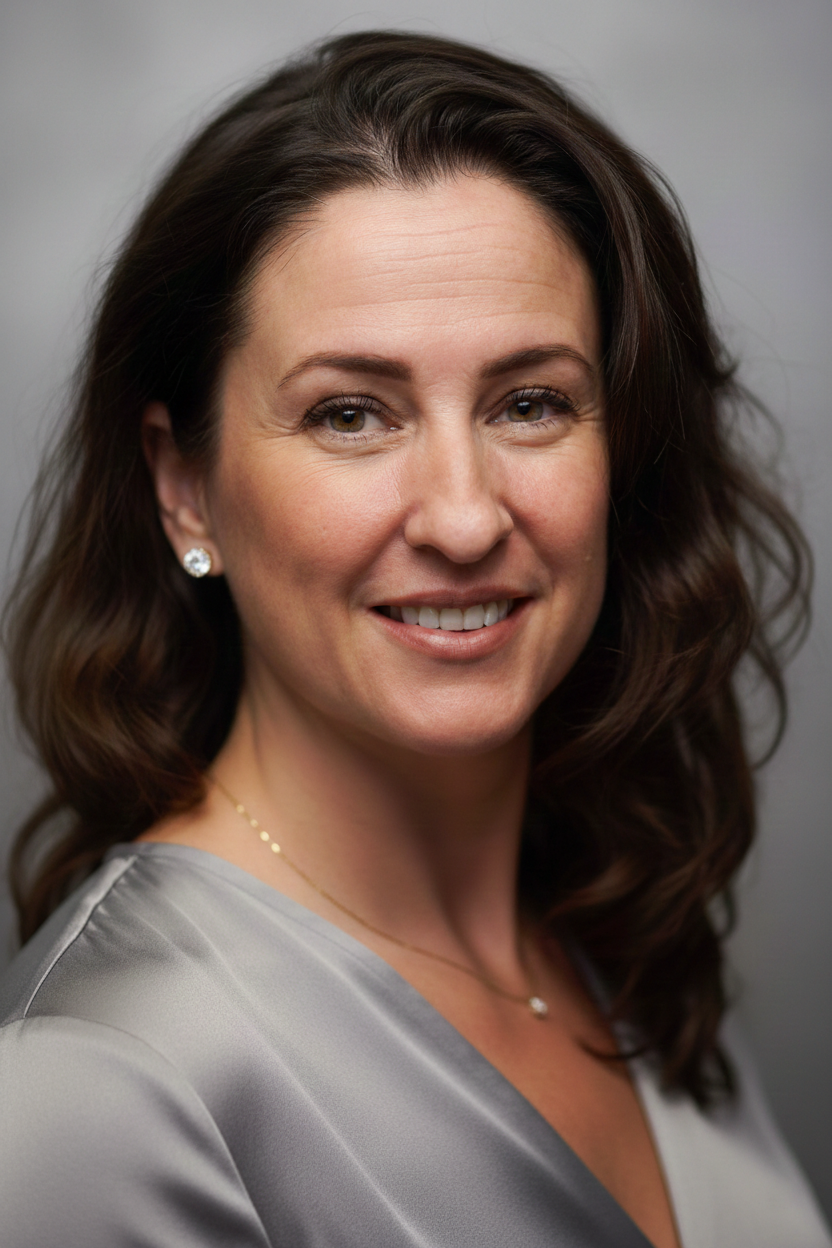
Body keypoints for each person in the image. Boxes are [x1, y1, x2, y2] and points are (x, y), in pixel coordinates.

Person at [0, 29, 828, 1248]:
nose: (462, 516)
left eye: (530, 403)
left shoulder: (619, 942)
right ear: (184, 487)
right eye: (350, 414)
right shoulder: (98, 1088)